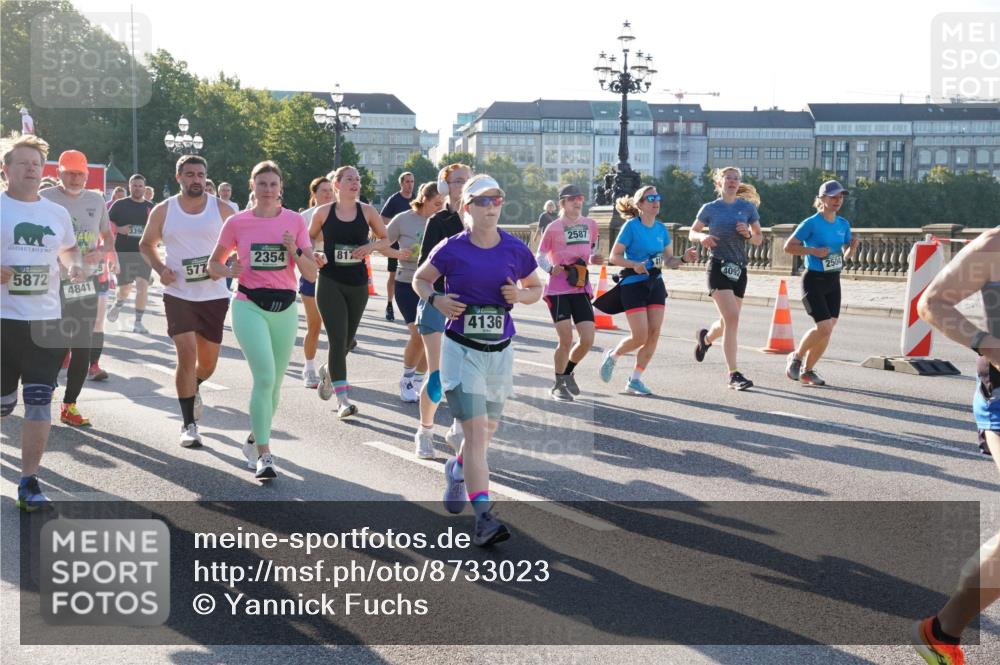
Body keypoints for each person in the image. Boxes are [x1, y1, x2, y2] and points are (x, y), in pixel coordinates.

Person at [412, 174, 542, 546]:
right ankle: (484, 517)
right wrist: (435, 299)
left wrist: (519, 294)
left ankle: (456, 468)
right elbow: (421, 280)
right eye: (483, 201)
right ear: (467, 207)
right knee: (475, 435)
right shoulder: (452, 248)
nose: (491, 206)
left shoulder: (515, 249)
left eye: (496, 199)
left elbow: (537, 288)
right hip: (461, 350)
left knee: (484, 434)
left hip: (500, 352)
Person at [912, 226, 1000, 664]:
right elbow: (932, 303)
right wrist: (990, 345)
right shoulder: (995, 247)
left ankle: (941, 631)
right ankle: (940, 631)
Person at [208, 161, 318, 480]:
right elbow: (214, 264)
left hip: (284, 307)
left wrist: (293, 250)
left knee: (275, 387)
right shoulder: (237, 222)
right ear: (252, 186)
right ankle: (265, 455)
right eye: (262, 184)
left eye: (273, 184)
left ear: (280, 187)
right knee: (265, 377)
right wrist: (228, 270)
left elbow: (311, 272)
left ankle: (254, 440)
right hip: (248, 305)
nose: (268, 189)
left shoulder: (295, 221)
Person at [1, 134, 84, 511]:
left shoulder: (56, 213)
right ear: (6, 170)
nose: (32, 168)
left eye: (36, 163)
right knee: (3, 406)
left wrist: (74, 267)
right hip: (3, 322)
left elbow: (68, 250)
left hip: (46, 322)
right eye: (23, 162)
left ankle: (28, 481)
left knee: (38, 402)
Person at [140, 155, 235, 447]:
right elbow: (146, 244)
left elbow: (240, 244)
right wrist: (160, 269)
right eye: (190, 174)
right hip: (178, 293)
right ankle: (188, 425)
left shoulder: (224, 209)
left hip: (214, 294)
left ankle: (195, 385)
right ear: (179, 176)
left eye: (200, 175)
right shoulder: (163, 209)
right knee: (186, 353)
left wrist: (229, 266)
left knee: (207, 364)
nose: (196, 179)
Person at [40, 150, 117, 427]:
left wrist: (101, 251)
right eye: (69, 173)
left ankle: (69, 405)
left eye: (80, 174)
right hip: (50, 283)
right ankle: (43, 388)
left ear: (87, 175)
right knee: (53, 343)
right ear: (58, 173)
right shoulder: (45, 198)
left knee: (82, 346)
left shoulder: (96, 200)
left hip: (85, 282)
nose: (75, 178)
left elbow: (108, 238)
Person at [598, 186, 698, 395]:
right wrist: (634, 264)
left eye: (657, 197)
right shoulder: (631, 227)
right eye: (650, 198)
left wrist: (683, 258)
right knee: (640, 336)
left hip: (655, 283)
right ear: (640, 204)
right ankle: (613, 355)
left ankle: (635, 379)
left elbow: (669, 260)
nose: (655, 201)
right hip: (633, 283)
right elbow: (614, 257)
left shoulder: (661, 229)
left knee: (654, 333)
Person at [309, 165, 388, 418]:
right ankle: (342, 400)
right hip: (330, 280)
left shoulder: (367, 211)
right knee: (336, 339)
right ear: (337, 185)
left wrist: (370, 246)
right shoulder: (323, 212)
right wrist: (316, 253)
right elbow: (307, 240)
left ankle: (329, 371)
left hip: (358, 284)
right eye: (349, 179)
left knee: (346, 341)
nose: (355, 183)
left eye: (357, 180)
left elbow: (385, 238)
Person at [412, 163, 472, 458]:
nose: (464, 186)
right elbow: (424, 268)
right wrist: (438, 297)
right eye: (458, 181)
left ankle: (459, 429)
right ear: (446, 186)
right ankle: (424, 430)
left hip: (468, 307)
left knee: (467, 375)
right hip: (438, 303)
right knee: (439, 375)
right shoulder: (439, 220)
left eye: (468, 181)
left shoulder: (481, 220)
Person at [689, 166, 763, 391]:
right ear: (719, 183)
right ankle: (733, 374)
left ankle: (706, 339)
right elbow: (692, 231)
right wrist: (702, 237)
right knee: (732, 319)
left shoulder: (747, 207)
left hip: (739, 270)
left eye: (736, 178)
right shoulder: (710, 208)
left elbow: (759, 238)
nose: (732, 181)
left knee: (727, 320)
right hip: (718, 267)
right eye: (728, 178)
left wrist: (748, 234)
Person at [782, 180, 859, 387]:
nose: (838, 201)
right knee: (823, 327)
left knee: (828, 329)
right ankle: (796, 357)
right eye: (833, 197)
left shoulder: (843, 224)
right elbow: (788, 247)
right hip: (814, 280)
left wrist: (852, 248)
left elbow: (846, 255)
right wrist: (813, 251)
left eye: (841, 197)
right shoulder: (811, 223)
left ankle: (808, 371)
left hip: (833, 281)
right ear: (821, 199)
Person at [535, 184, 604, 401]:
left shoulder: (590, 225)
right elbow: (539, 256)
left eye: (580, 197)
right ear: (563, 202)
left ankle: (568, 371)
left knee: (587, 339)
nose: (578, 201)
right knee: (566, 339)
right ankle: (558, 383)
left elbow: (590, 251)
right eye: (572, 198)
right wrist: (549, 268)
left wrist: (595, 259)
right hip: (557, 290)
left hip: (580, 286)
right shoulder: (554, 227)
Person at [385, 182, 443, 412]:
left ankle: (419, 379)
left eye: (443, 204)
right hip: (407, 282)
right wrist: (398, 253)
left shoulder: (443, 221)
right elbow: (380, 243)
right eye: (436, 203)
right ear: (424, 199)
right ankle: (407, 377)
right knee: (417, 334)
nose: (440, 208)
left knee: (432, 337)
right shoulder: (404, 219)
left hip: (434, 285)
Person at [299, 176, 335, 388]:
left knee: (337, 328)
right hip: (312, 276)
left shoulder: (342, 213)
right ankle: (309, 367)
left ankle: (333, 369)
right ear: (314, 194)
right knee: (315, 324)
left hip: (336, 275)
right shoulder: (304, 217)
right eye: (323, 190)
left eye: (330, 190)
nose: (328, 194)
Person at [107, 173, 155, 333]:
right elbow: (107, 224)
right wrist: (119, 229)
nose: (137, 188)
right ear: (130, 186)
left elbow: (158, 228)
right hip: (124, 252)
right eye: (134, 185)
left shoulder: (151, 207)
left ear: (144, 187)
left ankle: (138, 322)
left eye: (140, 185)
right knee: (125, 288)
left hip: (144, 253)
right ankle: (118, 303)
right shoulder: (120, 205)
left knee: (142, 285)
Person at [380, 172, 416, 322]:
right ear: (401, 183)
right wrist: (397, 228)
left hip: (414, 244)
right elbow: (382, 219)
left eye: (412, 181)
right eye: (407, 181)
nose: (410, 184)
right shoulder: (394, 200)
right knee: (393, 275)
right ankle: (389, 304)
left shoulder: (417, 199)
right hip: (395, 245)